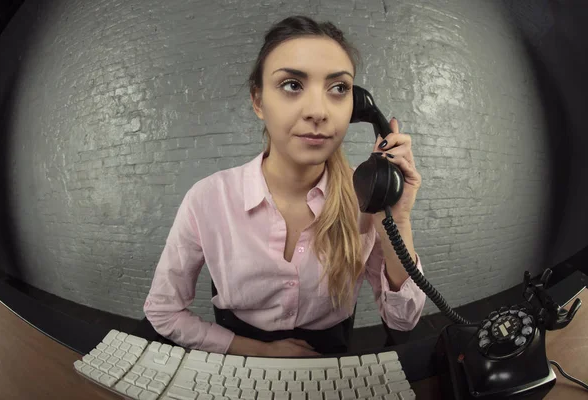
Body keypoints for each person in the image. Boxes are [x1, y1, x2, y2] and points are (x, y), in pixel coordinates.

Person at [143, 15, 425, 358]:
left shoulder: (365, 198)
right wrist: (257, 351)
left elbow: (404, 320)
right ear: (258, 101)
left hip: (329, 357)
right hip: (239, 355)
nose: (319, 111)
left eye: (339, 89)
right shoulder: (207, 199)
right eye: (292, 84)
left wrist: (394, 215)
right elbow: (163, 310)